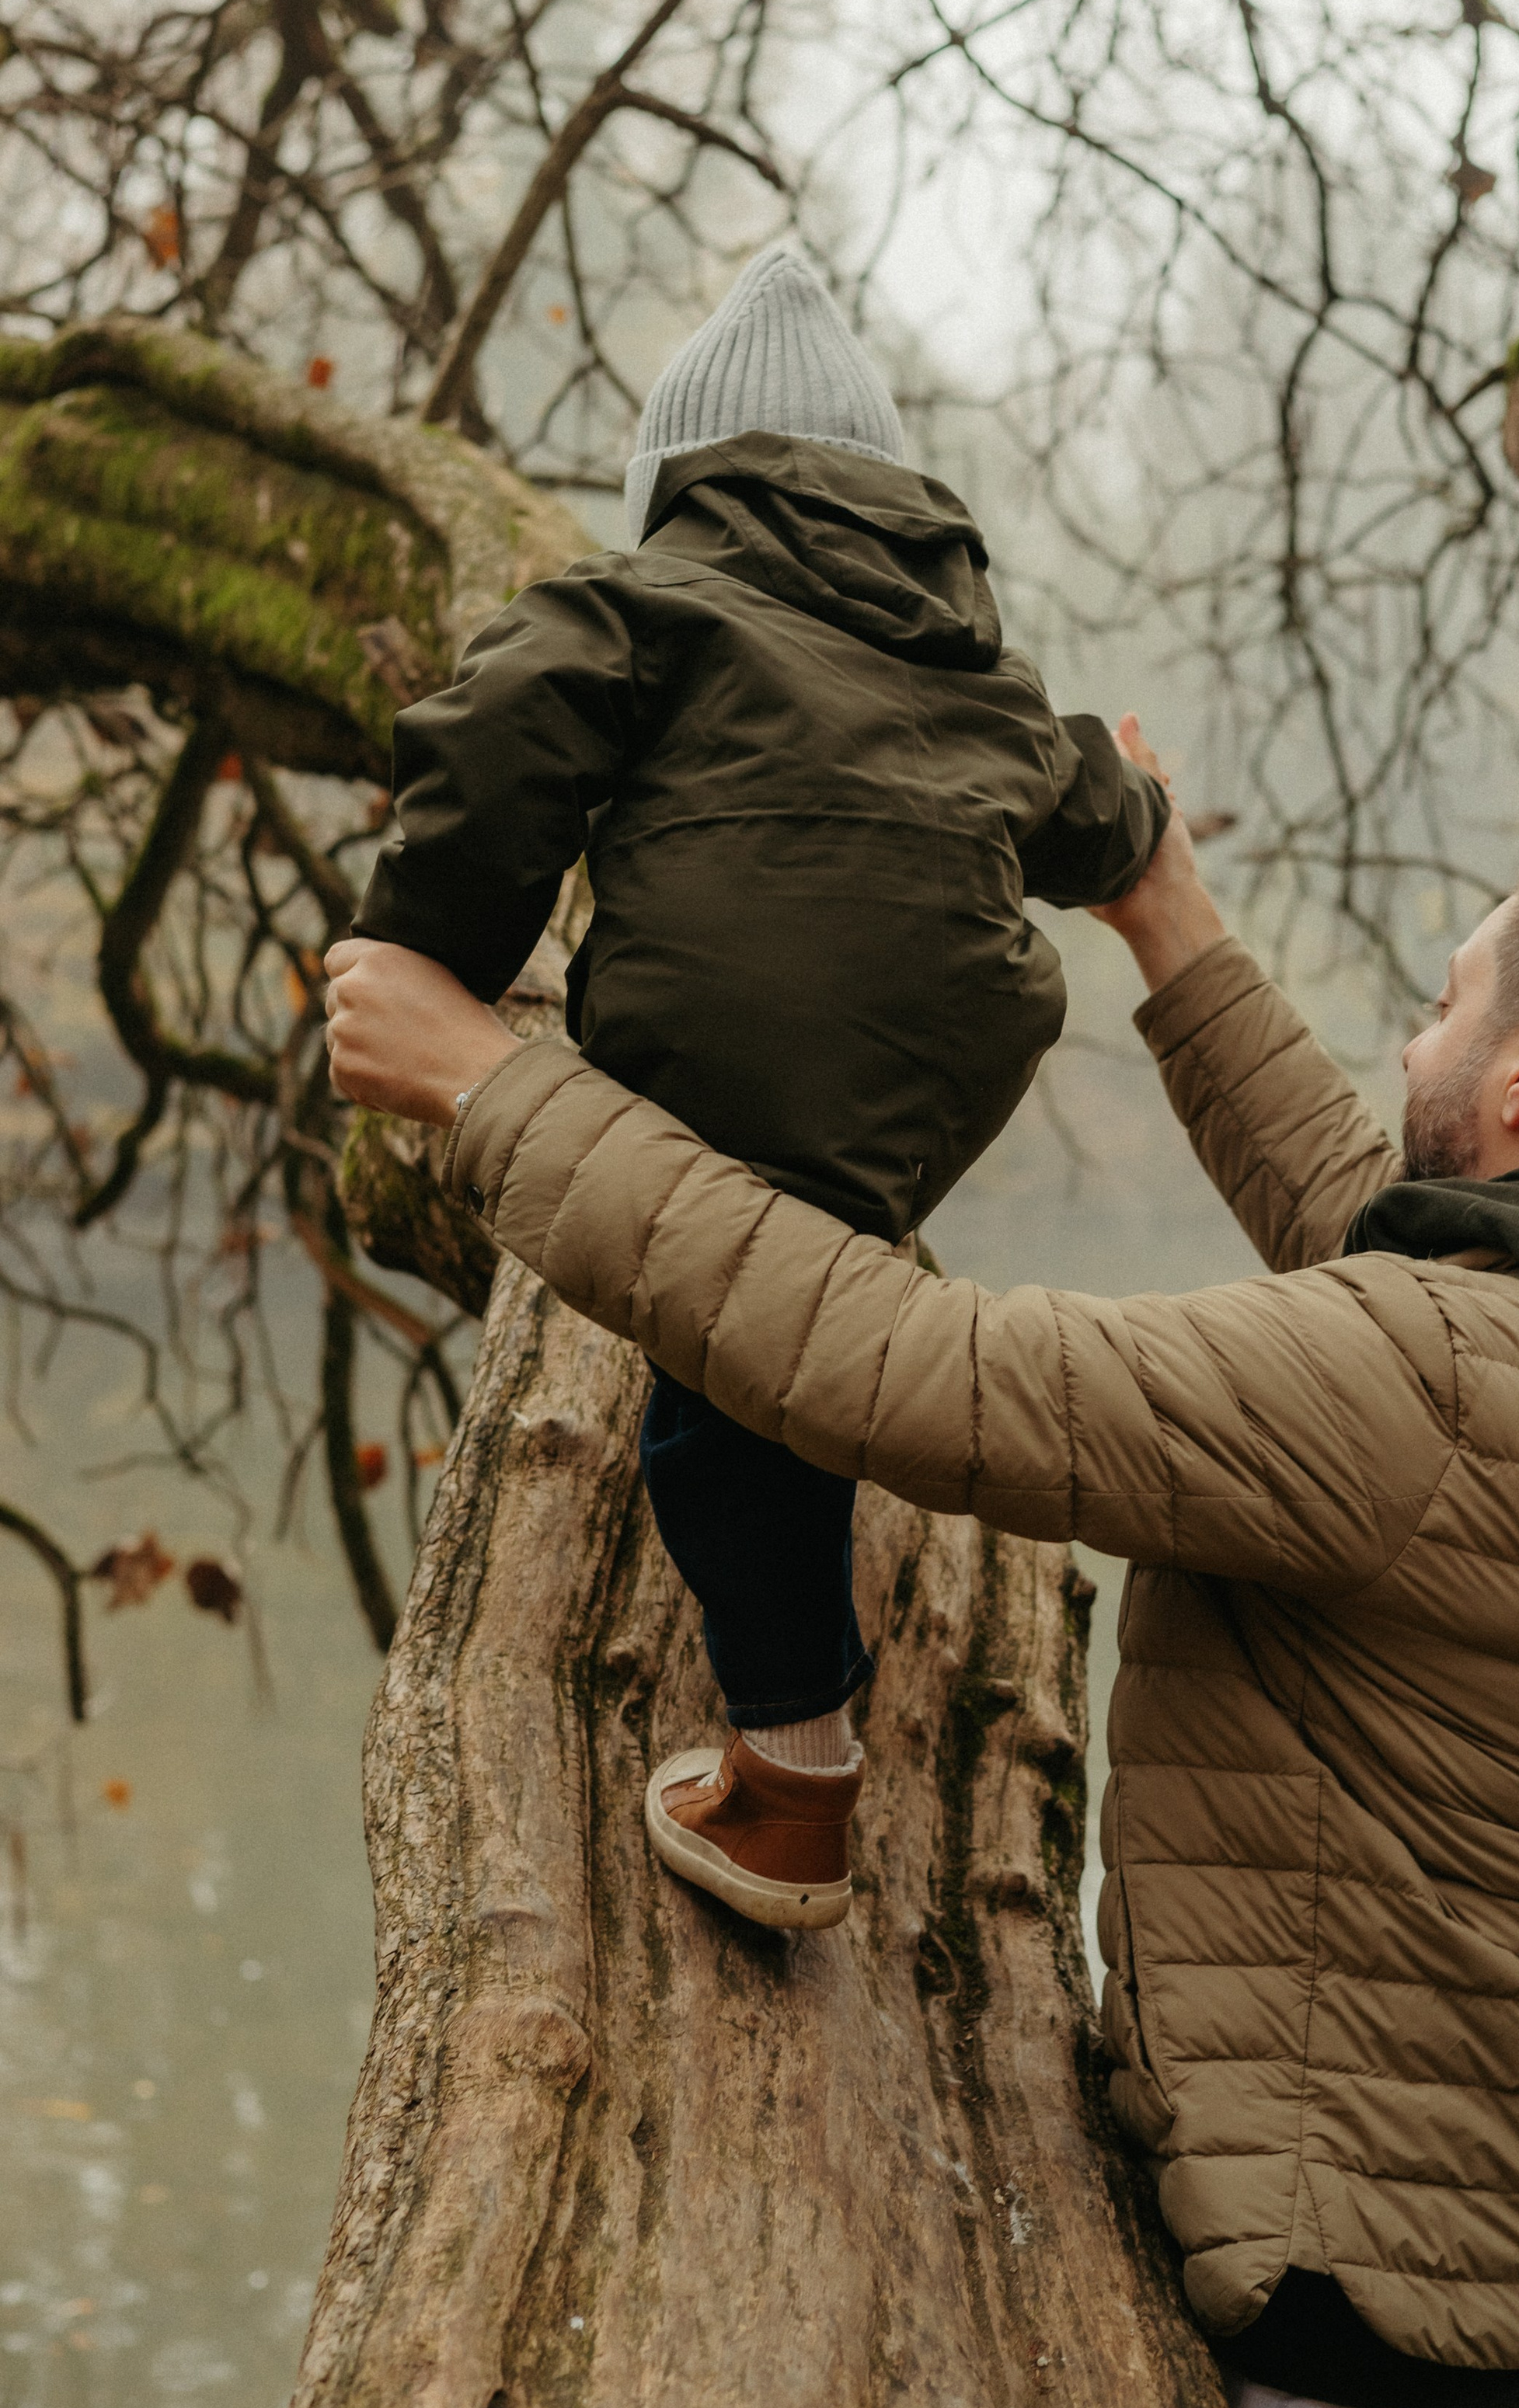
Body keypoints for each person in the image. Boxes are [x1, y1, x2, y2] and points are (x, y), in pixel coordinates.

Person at [325, 769, 1519, 2408]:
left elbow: (902, 1366)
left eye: (1442, 1002)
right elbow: (1381, 1241)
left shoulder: (1424, 1386)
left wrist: (493, 1086)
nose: (1410, 1042)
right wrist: (1165, 918)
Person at [346, 242, 1169, 1931]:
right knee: (806, 1274)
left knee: (720, 1380)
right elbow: (1095, 816)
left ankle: (794, 1781)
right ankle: (837, 1418)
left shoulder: (643, 602)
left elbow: (496, 740)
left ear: (681, 488)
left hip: (732, 1015)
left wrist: (438, 955)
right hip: (951, 1043)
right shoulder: (976, 674)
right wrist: (1140, 803)